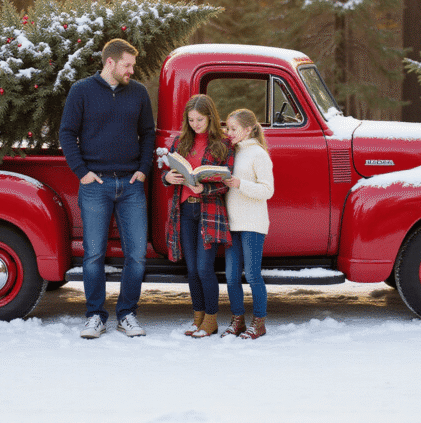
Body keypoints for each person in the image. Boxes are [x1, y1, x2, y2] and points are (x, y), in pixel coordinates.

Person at [59, 38, 156, 339]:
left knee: (137, 255)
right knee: (93, 255)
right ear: (110, 63)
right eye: (127, 65)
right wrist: (82, 172)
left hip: (130, 185)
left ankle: (127, 314)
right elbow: (67, 132)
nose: (131, 70)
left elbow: (148, 133)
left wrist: (142, 171)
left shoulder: (138, 92)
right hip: (95, 185)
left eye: (133, 66)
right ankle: (95, 316)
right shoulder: (81, 91)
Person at [163, 94, 234, 338]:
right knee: (191, 269)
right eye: (191, 119)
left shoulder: (223, 144)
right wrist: (168, 178)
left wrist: (206, 188)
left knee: (205, 269)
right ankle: (198, 318)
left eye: (200, 119)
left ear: (210, 117)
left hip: (209, 212)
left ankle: (211, 320)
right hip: (185, 211)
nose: (195, 124)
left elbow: (227, 183)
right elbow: (171, 172)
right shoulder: (180, 142)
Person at [222, 108, 274, 339]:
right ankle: (238, 320)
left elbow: (267, 190)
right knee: (232, 276)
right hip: (231, 222)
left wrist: (239, 183)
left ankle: (259, 322)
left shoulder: (258, 154)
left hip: (252, 223)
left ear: (247, 129)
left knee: (252, 275)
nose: (229, 132)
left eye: (233, 129)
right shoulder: (231, 152)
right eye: (227, 128)